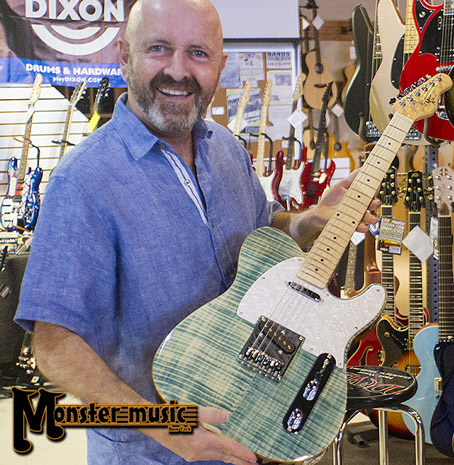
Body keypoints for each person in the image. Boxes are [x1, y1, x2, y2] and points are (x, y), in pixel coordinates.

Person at [13, 0, 379, 464]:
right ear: (124, 56)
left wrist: (309, 219)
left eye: (198, 54)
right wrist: (165, 427)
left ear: (221, 65)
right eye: (159, 49)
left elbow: (263, 229)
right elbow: (54, 348)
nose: (178, 71)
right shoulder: (83, 180)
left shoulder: (225, 149)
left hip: (259, 430)